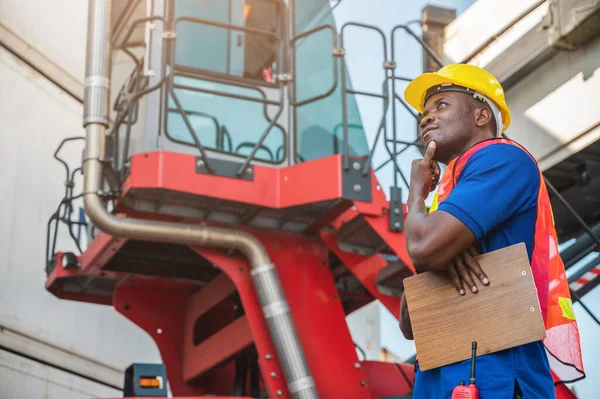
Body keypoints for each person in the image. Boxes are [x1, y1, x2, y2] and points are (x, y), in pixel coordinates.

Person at [399, 64, 585, 398]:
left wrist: (416, 192)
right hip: (443, 374)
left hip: (491, 370)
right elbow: (409, 322)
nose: (426, 117)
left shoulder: (501, 158)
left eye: (441, 106)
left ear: (482, 115)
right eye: (424, 113)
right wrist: (434, 255)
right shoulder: (448, 194)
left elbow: (424, 248)